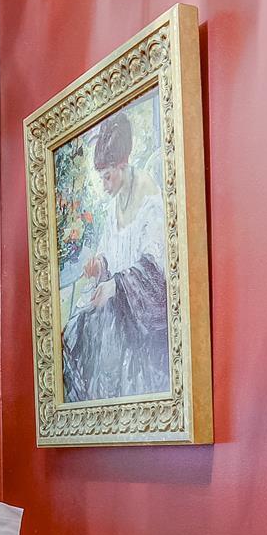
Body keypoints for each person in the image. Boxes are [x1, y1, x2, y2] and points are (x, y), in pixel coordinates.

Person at [61, 107, 171, 402]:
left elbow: (157, 272)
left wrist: (114, 286)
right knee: (78, 330)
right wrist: (100, 266)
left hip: (142, 317)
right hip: (119, 303)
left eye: (107, 177)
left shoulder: (149, 197)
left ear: (122, 165)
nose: (104, 185)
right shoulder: (112, 207)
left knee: (100, 336)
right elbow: (110, 253)